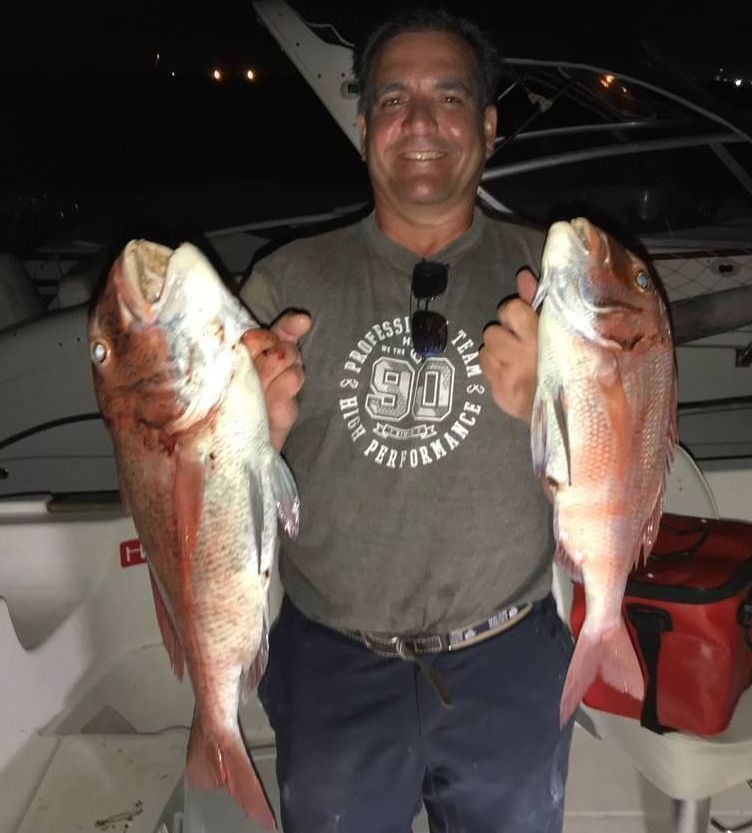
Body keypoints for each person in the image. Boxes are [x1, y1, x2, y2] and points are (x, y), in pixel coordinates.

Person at [240, 8, 574, 832]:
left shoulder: (559, 274)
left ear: (488, 127)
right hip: (332, 666)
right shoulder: (283, 283)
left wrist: (554, 405)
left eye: (449, 97)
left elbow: (626, 475)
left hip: (510, 662)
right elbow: (215, 507)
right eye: (393, 100)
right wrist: (250, 441)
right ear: (364, 129)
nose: (420, 121)